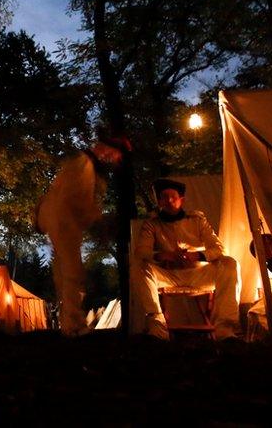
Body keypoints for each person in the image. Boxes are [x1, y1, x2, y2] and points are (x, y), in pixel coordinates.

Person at [34, 129, 130, 336]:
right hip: (64, 221)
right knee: (72, 272)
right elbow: (78, 200)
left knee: (65, 272)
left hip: (61, 221)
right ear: (106, 149)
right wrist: (99, 221)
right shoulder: (84, 165)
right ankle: (73, 325)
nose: (114, 160)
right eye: (115, 155)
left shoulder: (84, 165)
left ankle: (68, 322)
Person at [133, 178, 240, 340]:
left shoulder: (197, 220)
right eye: (164, 197)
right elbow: (142, 252)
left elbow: (218, 249)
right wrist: (163, 256)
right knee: (141, 267)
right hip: (169, 275)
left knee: (229, 263)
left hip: (199, 274)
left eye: (173, 197)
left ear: (181, 200)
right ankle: (157, 327)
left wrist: (197, 255)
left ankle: (225, 328)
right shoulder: (152, 225)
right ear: (159, 201)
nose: (169, 200)